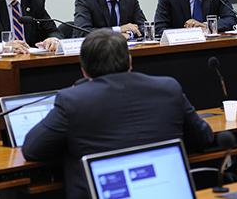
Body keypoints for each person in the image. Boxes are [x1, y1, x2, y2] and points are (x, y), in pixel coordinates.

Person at [22, 29, 214, 199]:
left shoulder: (72, 100)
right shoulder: (168, 87)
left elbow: (32, 149)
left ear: (83, 69)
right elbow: (204, 136)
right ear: (130, 61)